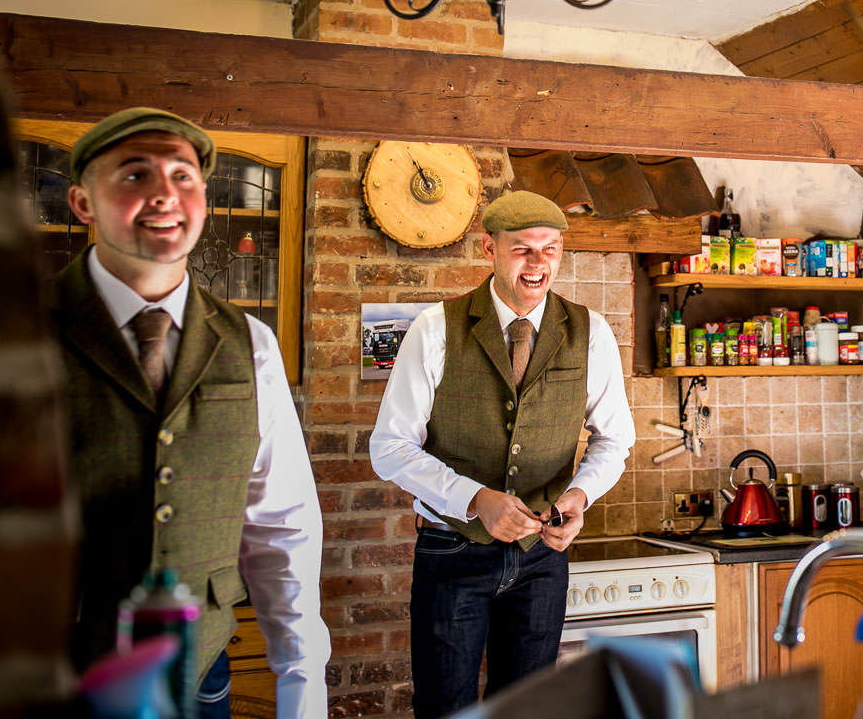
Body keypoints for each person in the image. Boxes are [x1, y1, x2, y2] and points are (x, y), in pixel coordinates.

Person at [55, 107, 329, 717]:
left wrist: (302, 681)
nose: (164, 194)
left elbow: (281, 523)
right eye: (134, 174)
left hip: (200, 670)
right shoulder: (11, 334)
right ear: (81, 202)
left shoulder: (251, 342)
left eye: (183, 177)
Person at [369, 190, 636, 718]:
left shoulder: (590, 333)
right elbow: (390, 447)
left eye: (551, 249)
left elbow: (615, 439)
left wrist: (579, 496)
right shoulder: (435, 329)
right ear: (489, 249)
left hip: (542, 559)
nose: (539, 264)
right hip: (452, 553)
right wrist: (474, 500)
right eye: (523, 249)